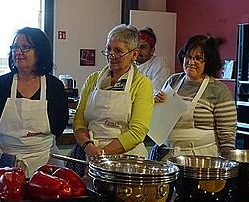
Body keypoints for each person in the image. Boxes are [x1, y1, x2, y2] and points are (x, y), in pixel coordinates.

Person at [0, 27, 69, 177]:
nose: (18, 51)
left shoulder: (54, 86)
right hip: (4, 159)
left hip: (44, 160)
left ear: (40, 51)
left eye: (25, 47)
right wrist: (10, 144)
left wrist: (35, 145)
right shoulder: (1, 84)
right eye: (15, 47)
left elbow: (60, 122)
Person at [69, 24, 154, 174]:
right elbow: (79, 120)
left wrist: (102, 153)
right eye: (109, 49)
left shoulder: (142, 84)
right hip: (91, 154)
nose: (111, 55)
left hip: (126, 162)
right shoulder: (93, 80)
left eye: (118, 51)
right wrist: (88, 146)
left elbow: (137, 131)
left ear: (134, 55)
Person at [150, 34, 237, 160]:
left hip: (201, 159)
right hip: (167, 156)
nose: (191, 62)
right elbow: (159, 120)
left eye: (198, 58)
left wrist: (226, 163)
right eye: (188, 56)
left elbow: (227, 136)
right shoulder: (173, 81)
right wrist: (155, 102)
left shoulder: (219, 91)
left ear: (209, 61)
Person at [135, 27, 172, 94]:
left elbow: (156, 91)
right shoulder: (130, 63)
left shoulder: (161, 63)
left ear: (152, 50)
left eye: (143, 47)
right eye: (136, 47)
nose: (138, 51)